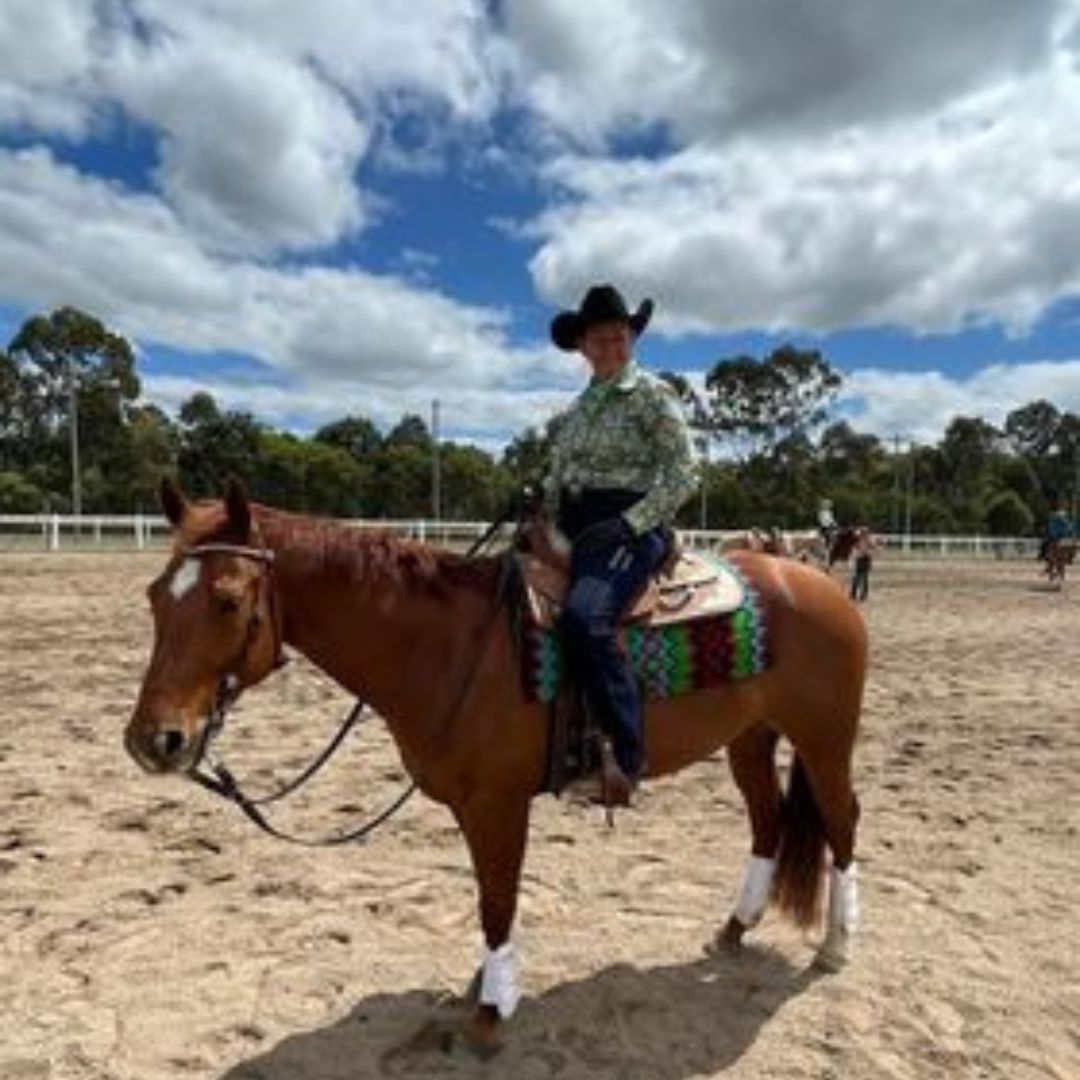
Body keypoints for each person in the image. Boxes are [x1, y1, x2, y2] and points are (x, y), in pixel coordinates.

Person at [539, 283, 698, 806]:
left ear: (631, 338)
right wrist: (539, 504)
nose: (609, 347)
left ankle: (626, 760)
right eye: (599, 339)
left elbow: (684, 473)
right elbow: (559, 474)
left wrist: (631, 524)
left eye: (618, 337)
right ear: (582, 347)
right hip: (572, 527)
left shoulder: (653, 395)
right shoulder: (578, 408)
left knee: (586, 618)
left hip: (628, 529)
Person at [849, 526, 879, 602]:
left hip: (866, 560)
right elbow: (854, 549)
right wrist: (856, 555)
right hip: (859, 560)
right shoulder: (858, 541)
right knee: (856, 578)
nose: (863, 534)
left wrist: (868, 553)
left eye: (864, 533)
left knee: (864, 578)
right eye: (862, 533)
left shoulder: (870, 541)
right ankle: (853, 594)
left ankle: (863, 595)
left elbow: (875, 549)